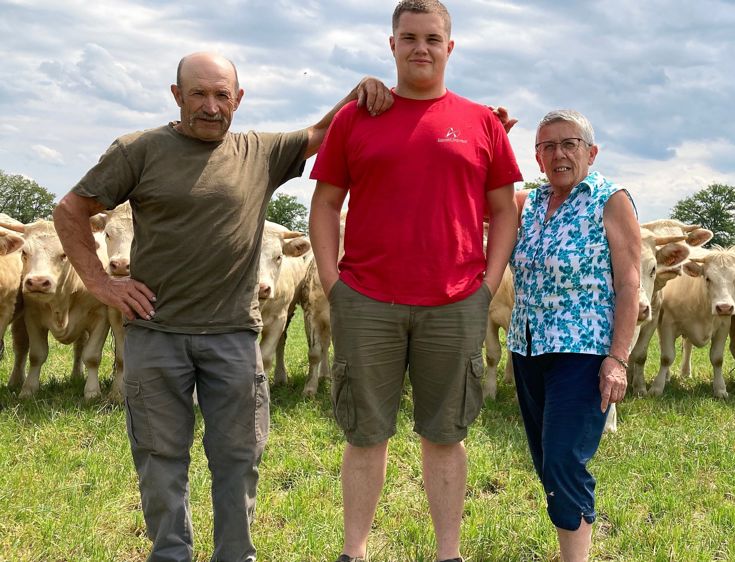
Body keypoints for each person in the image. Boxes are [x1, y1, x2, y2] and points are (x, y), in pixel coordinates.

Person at [52, 52, 392, 562]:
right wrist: (100, 284)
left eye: (221, 95)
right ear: (176, 95)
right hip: (156, 332)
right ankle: (171, 552)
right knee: (159, 454)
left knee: (237, 456)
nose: (210, 106)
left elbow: (321, 131)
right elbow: (70, 210)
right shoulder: (138, 150)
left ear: (238, 97)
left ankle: (235, 554)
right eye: (198, 94)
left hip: (234, 336)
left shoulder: (259, 153)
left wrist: (361, 89)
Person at [308, 1, 522, 560]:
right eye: (409, 38)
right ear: (392, 44)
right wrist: (335, 285)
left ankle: (447, 552)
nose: (420, 48)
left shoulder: (481, 123)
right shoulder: (357, 117)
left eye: (432, 38)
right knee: (364, 434)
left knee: (446, 434)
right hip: (366, 300)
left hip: (454, 302)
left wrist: (486, 284)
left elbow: (504, 211)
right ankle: (354, 551)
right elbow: (326, 204)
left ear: (450, 47)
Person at [507, 110, 640, 562]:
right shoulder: (527, 204)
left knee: (564, 459)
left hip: (583, 350)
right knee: (548, 461)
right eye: (547, 147)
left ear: (591, 152)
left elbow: (630, 283)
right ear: (537, 157)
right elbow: (481, 198)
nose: (559, 154)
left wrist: (617, 358)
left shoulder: (610, 199)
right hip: (527, 347)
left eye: (570, 144)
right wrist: (494, 142)